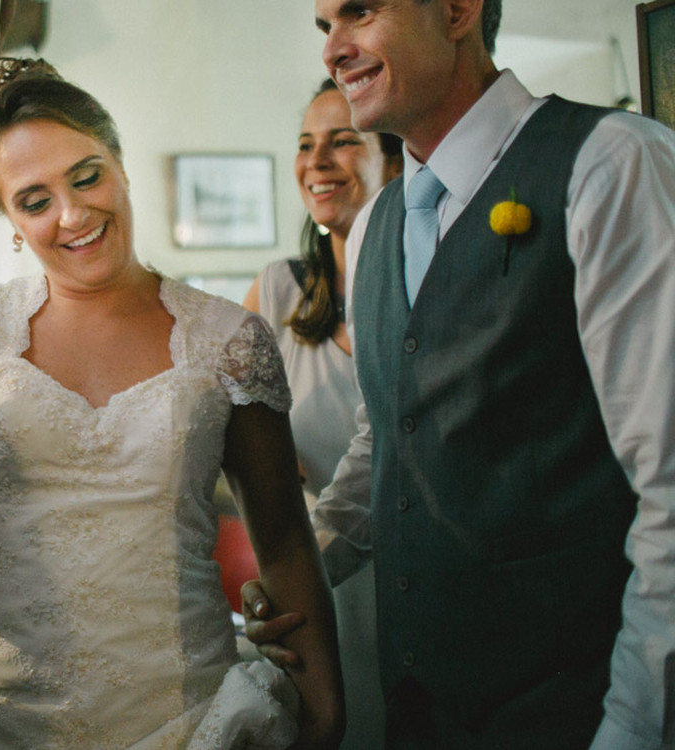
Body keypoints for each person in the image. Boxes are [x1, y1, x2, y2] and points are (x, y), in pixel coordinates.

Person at [0, 58, 343, 749]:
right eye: (35, 201)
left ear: (120, 165)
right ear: (11, 221)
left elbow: (286, 540)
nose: (74, 215)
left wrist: (326, 714)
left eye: (87, 177)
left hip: (185, 715)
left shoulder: (229, 338)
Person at [244, 1, 675, 748]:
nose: (334, 50)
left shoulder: (612, 163)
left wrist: (634, 728)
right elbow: (388, 440)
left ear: (455, 9)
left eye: (360, 11)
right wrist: (300, 567)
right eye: (325, 27)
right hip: (420, 712)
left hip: (579, 712)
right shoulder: (376, 224)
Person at [242, 78, 401, 750]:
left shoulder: (423, 284)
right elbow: (217, 446)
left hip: (417, 580)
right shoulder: (278, 291)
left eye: (343, 141)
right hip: (316, 582)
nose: (317, 162)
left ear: (394, 160)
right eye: (306, 145)